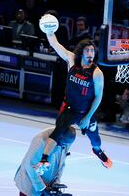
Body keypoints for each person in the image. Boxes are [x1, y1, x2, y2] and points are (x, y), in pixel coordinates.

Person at [37, 14, 112, 171]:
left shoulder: (97, 73)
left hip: (86, 112)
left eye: (93, 51)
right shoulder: (71, 60)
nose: (91, 53)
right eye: (88, 51)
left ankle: (98, 152)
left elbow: (98, 97)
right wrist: (48, 30)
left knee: (95, 139)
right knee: (59, 131)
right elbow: (55, 44)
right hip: (70, 109)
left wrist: (88, 117)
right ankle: (44, 159)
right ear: (81, 52)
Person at [15, 127, 75, 196]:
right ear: (59, 136)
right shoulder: (40, 140)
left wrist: (56, 183)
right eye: (62, 143)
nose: (63, 146)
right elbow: (30, 166)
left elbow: (61, 163)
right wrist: (42, 188)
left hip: (47, 186)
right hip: (30, 185)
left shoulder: (65, 141)